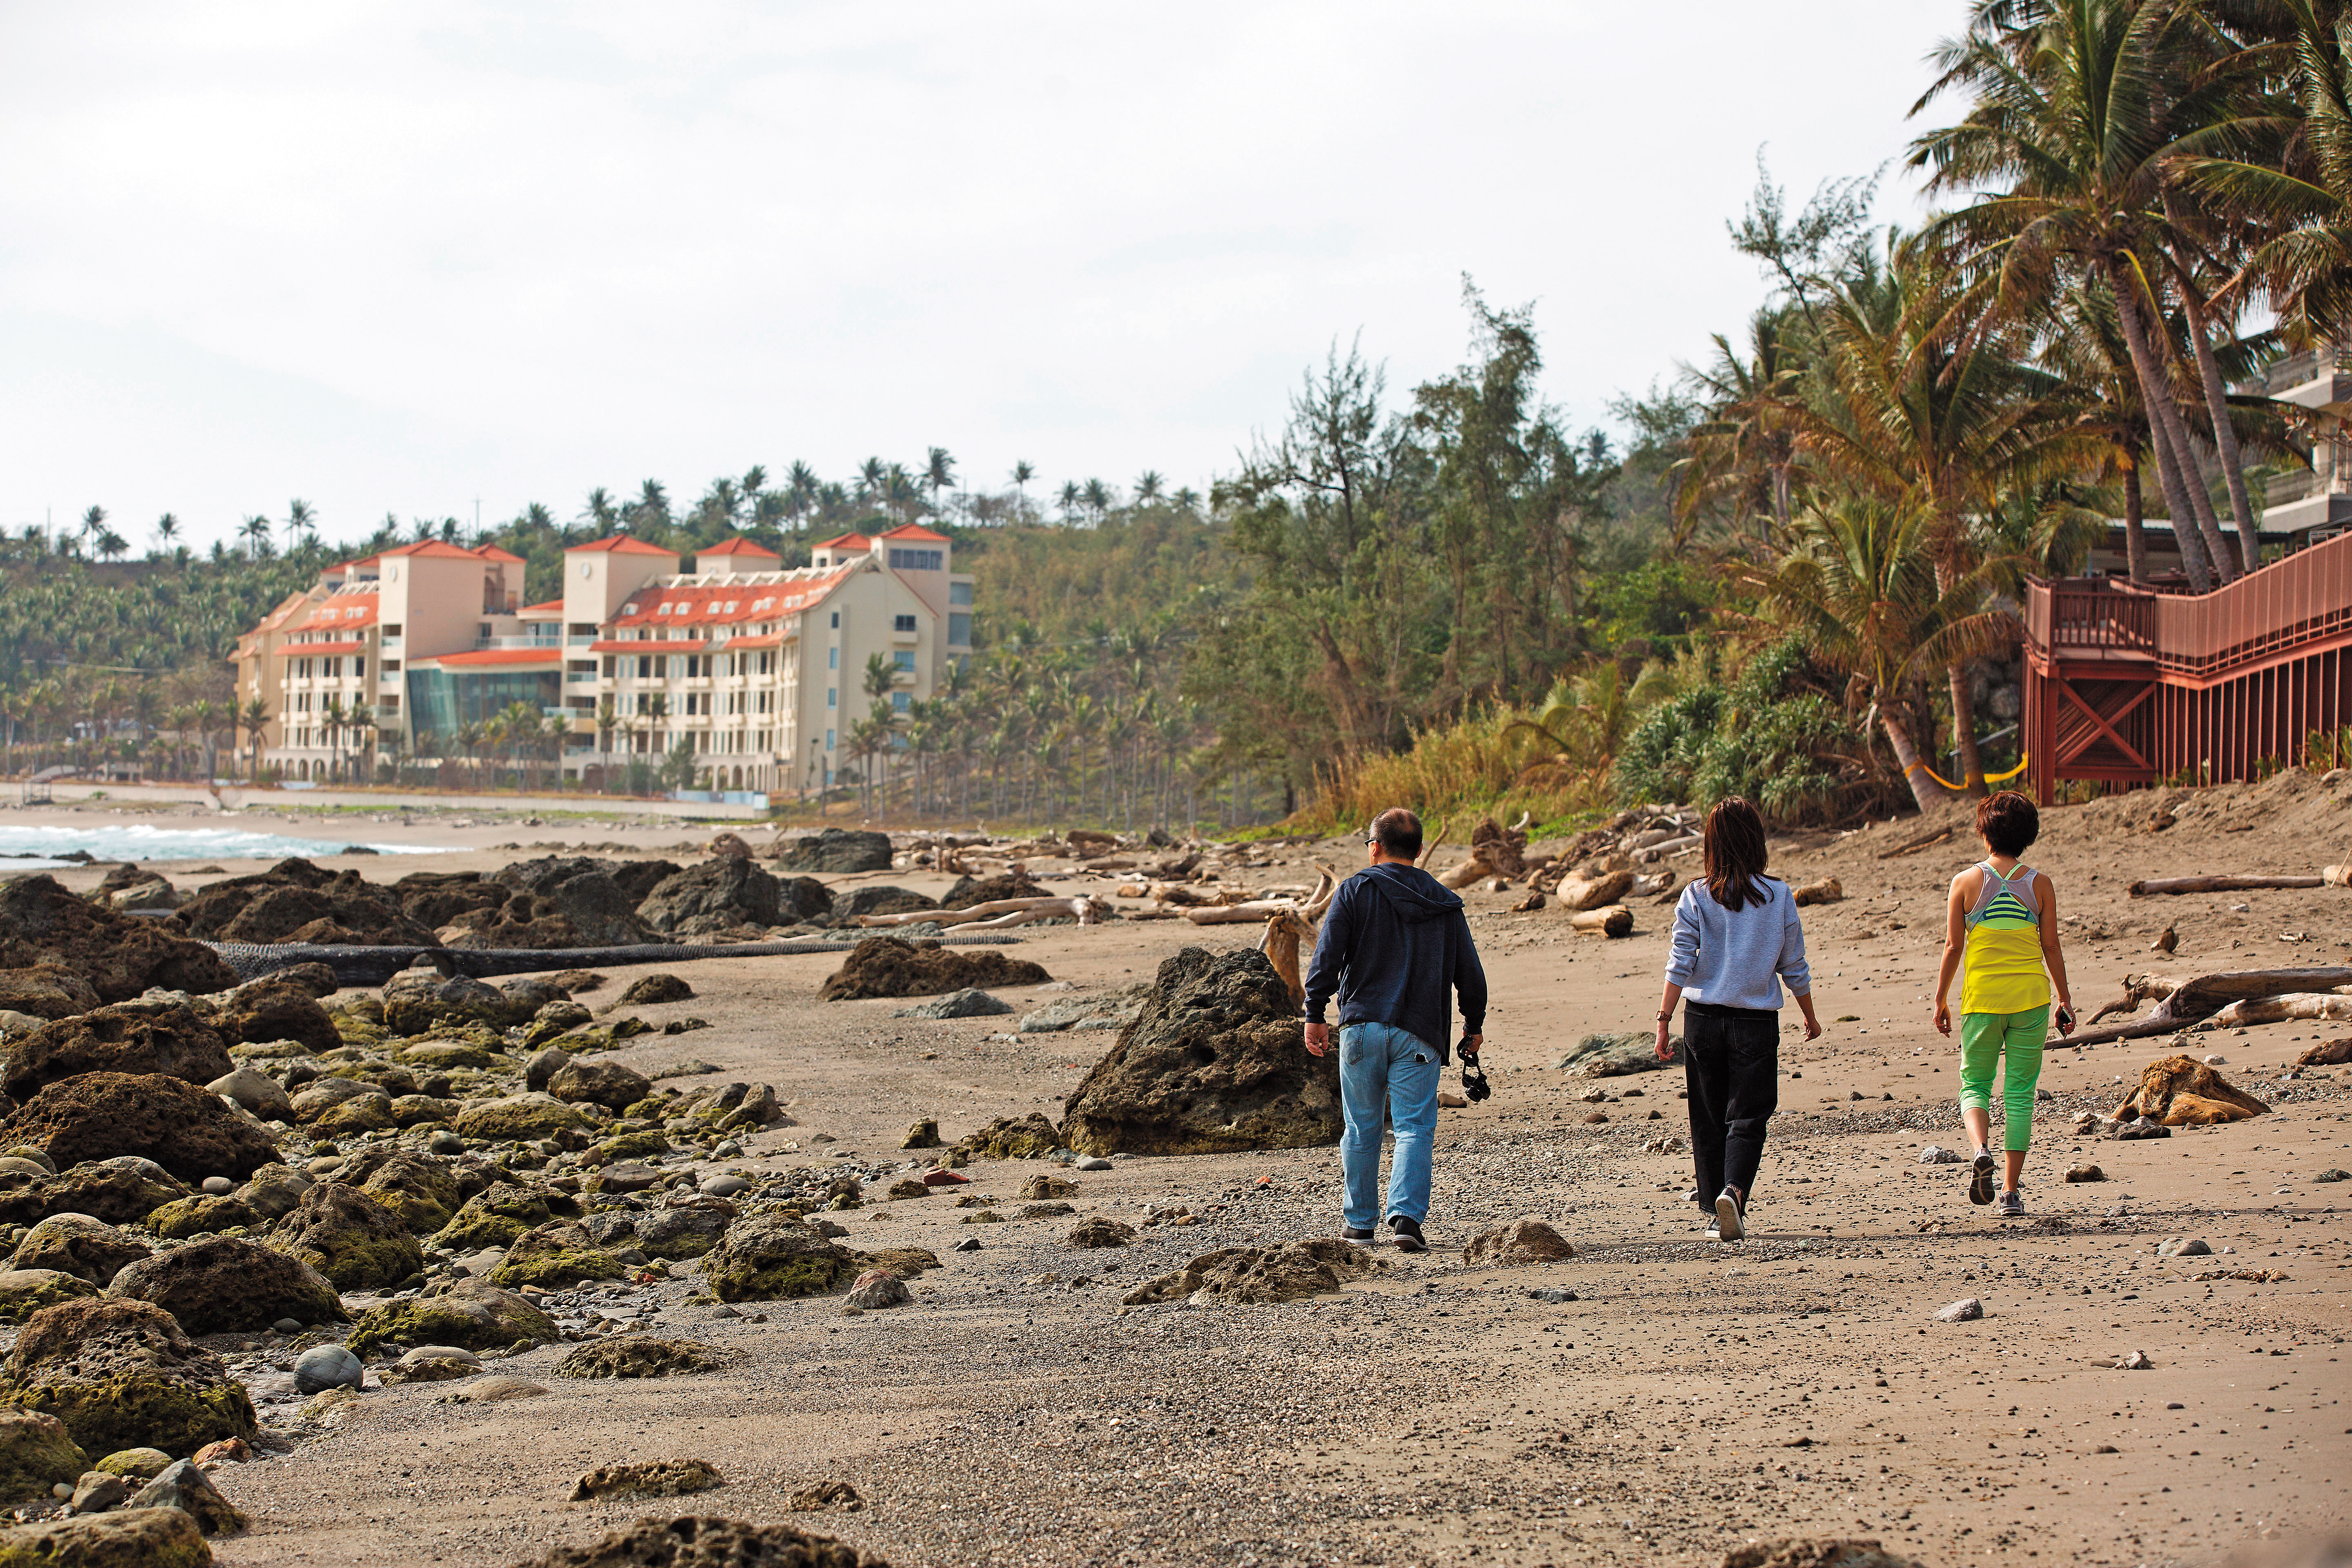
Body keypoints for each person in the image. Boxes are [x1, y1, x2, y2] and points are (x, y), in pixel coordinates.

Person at [1303, 807, 1488, 1253]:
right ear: (1419, 850)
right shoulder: (1444, 900)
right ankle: (1406, 1219)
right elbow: (1472, 975)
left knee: (1361, 1128)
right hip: (1420, 1033)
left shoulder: (1354, 891)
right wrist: (1473, 1025)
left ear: (1374, 847)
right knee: (1413, 1128)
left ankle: (1360, 1226)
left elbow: (1326, 959)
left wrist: (1314, 1013)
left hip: (1361, 1028)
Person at [1654, 796, 1821, 1242]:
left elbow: (1680, 964)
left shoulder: (1695, 895)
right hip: (1755, 1023)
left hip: (1703, 1020)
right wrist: (1809, 1014)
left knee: (1708, 1115)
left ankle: (1715, 1210)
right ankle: (1734, 1192)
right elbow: (1794, 965)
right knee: (1749, 1116)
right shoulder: (1778, 895)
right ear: (1757, 842)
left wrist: (1664, 1019)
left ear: (1712, 844)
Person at [1933, 790, 2075, 1217]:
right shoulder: (2040, 885)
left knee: (1974, 1085)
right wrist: (2065, 998)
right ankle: (2010, 1193)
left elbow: (1954, 947)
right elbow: (2050, 945)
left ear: (1984, 832)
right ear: (2029, 835)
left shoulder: (1965, 883)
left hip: (1982, 1001)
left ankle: (1980, 1150)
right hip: (2031, 999)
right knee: (2019, 1095)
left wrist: (1940, 999)